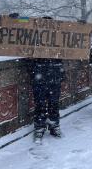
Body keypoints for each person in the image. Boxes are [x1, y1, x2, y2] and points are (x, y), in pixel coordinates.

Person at [31, 16, 64, 144]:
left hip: (53, 75)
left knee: (53, 103)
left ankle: (54, 125)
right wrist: (16, 21)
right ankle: (40, 127)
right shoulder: (35, 39)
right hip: (40, 75)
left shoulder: (58, 40)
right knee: (40, 103)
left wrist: (81, 27)